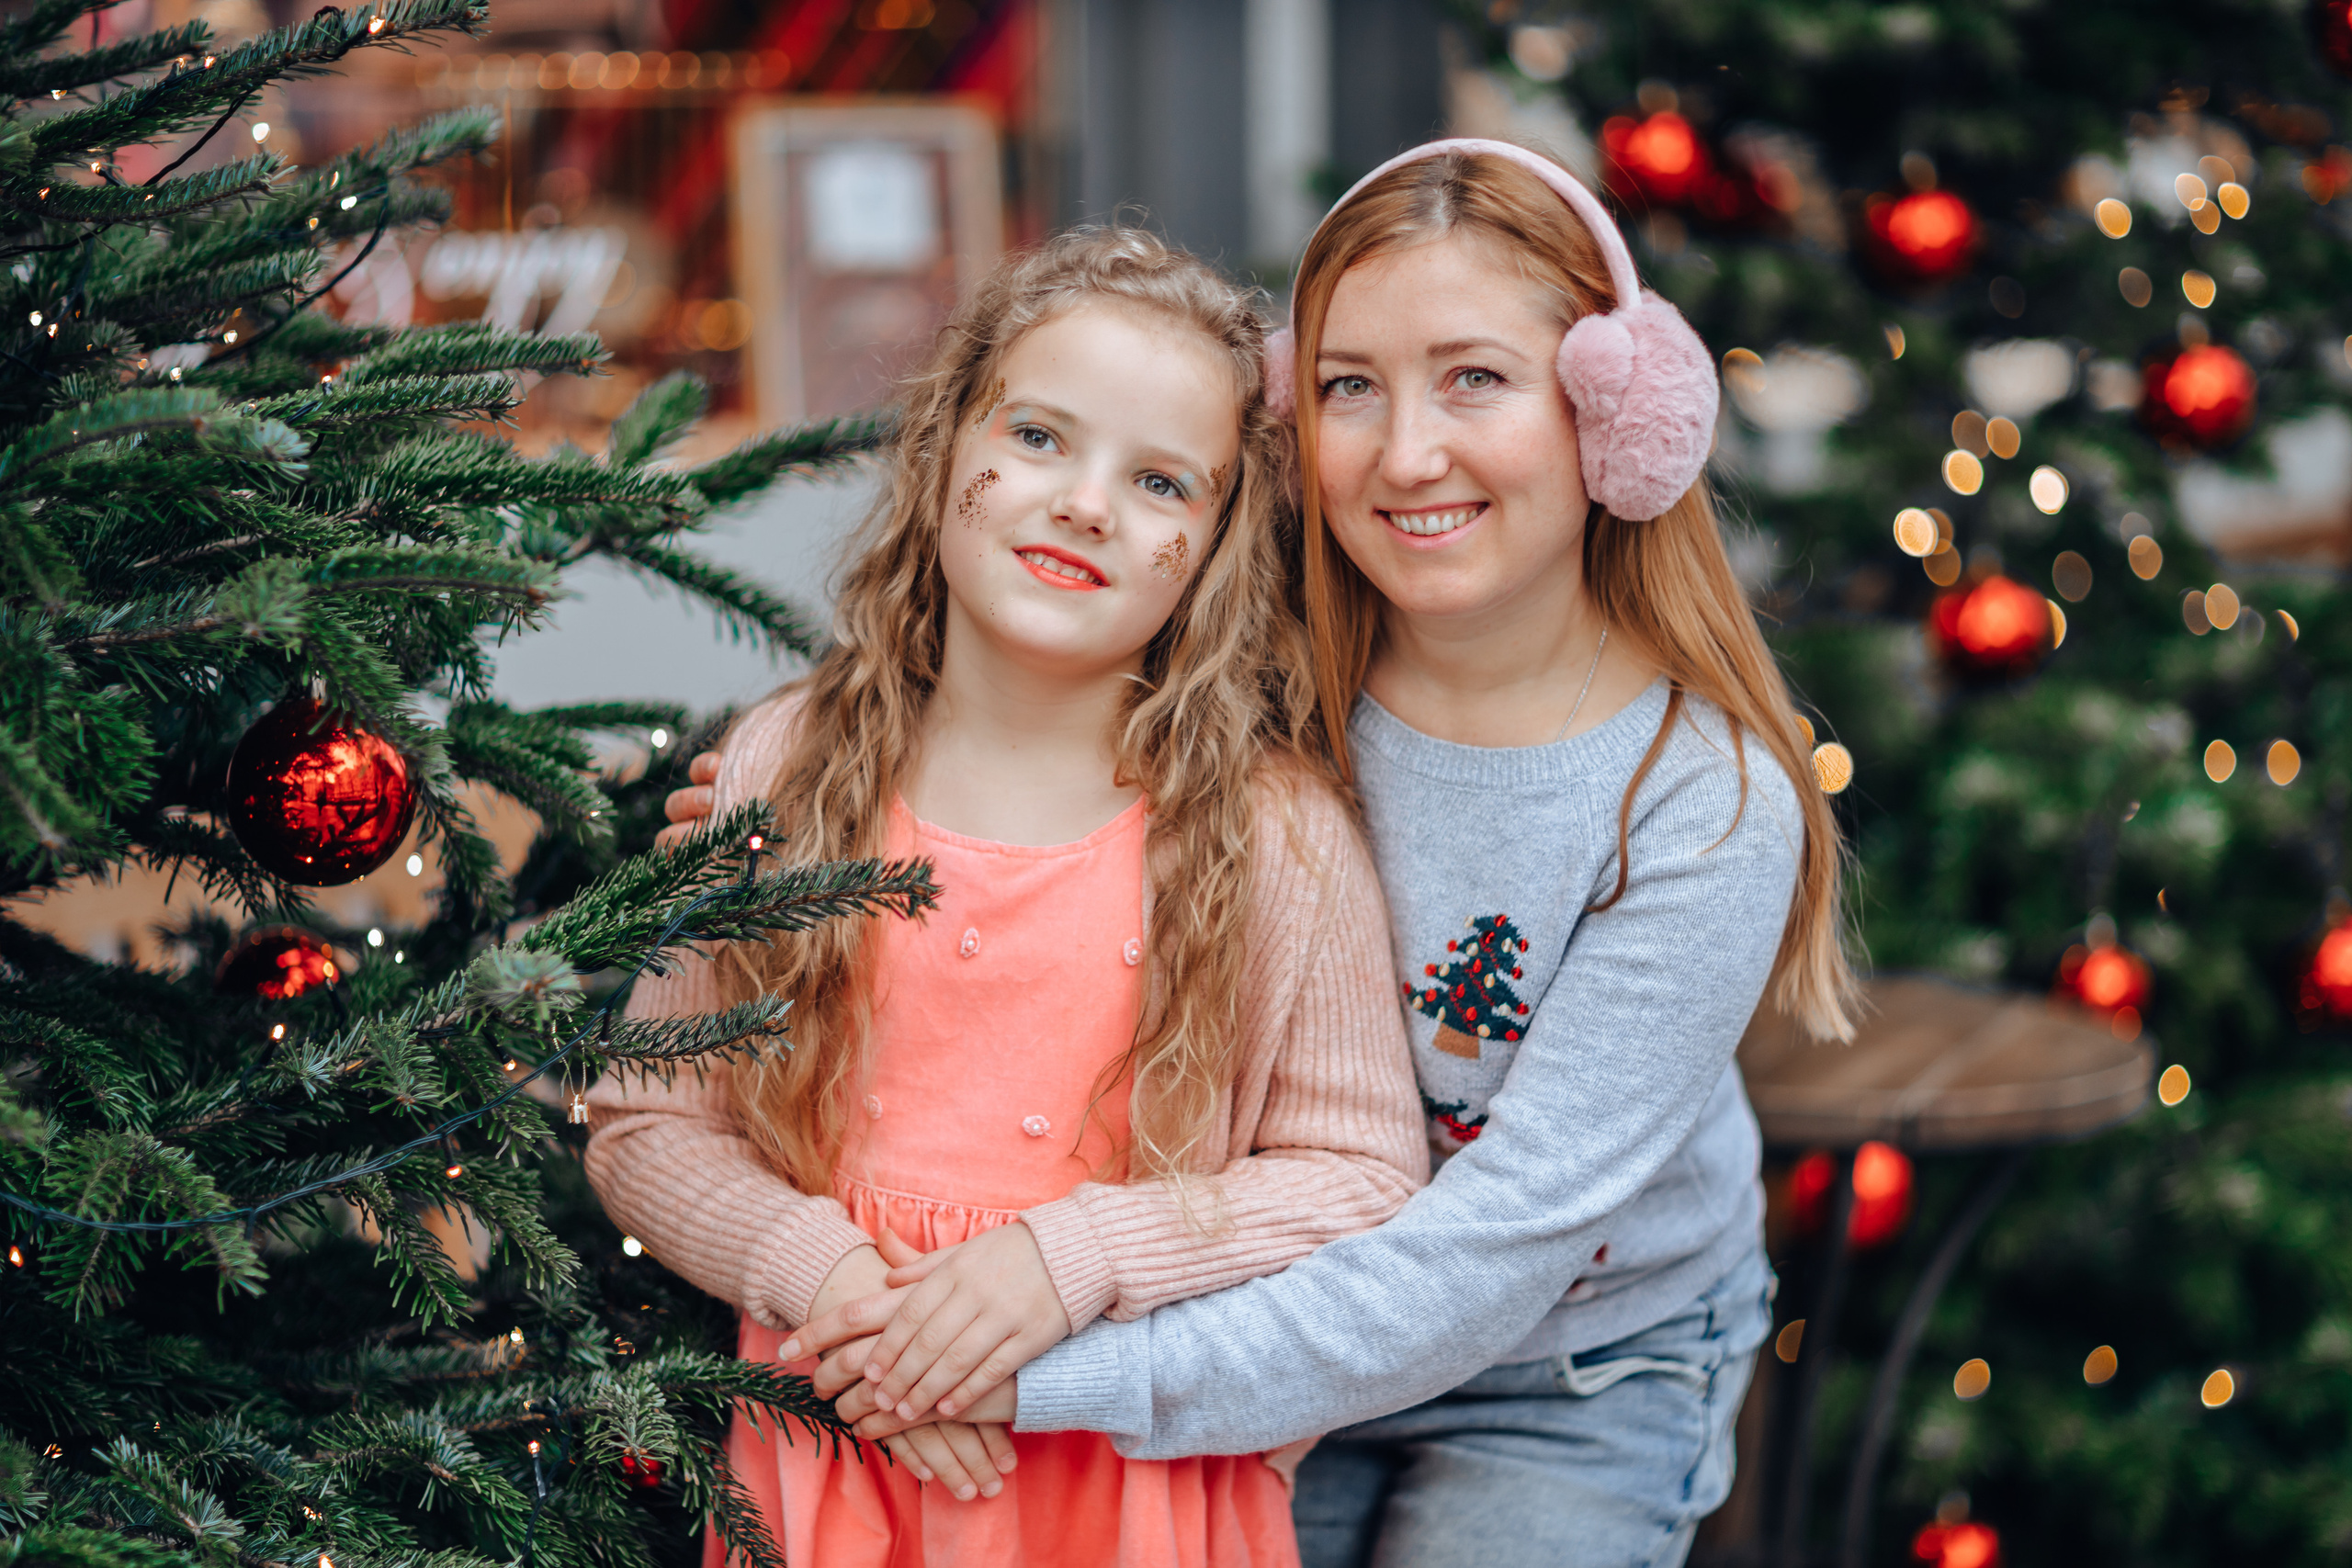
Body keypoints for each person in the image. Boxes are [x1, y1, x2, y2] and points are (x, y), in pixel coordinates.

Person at [748, 140, 1860, 1568]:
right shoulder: (1255, 672)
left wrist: (1028, 1378)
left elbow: (1484, 1261)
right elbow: (981, 743)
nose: (1407, 455)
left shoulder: (1698, 804)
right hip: (1242, 1326)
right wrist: (770, 803)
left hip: (1567, 1367)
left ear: (1613, 414)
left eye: (1476, 378)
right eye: (1349, 387)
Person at [585, 227, 1428, 1568]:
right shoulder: (787, 766)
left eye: (1161, 481)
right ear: (944, 454)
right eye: (1039, 438)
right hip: (837, 1472)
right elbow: (645, 1121)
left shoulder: (1273, 835)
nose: (1088, 503)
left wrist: (1071, 1259)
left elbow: (1362, 1181)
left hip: (1130, 1496)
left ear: (1215, 549)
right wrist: (845, 1300)